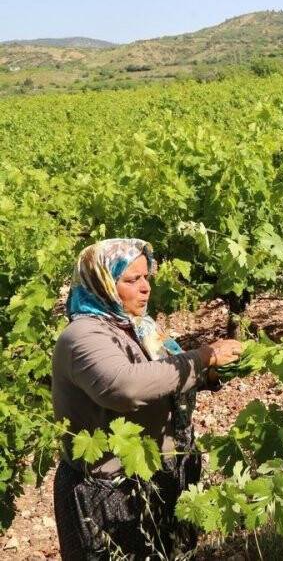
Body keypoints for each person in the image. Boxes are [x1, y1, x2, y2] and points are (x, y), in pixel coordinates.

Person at [51, 239, 243, 560]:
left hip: (155, 475)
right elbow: (125, 388)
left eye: (146, 277)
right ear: (102, 283)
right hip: (109, 492)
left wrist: (213, 375)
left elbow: (161, 377)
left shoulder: (138, 327)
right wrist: (202, 358)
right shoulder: (82, 336)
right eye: (131, 280)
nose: (145, 288)